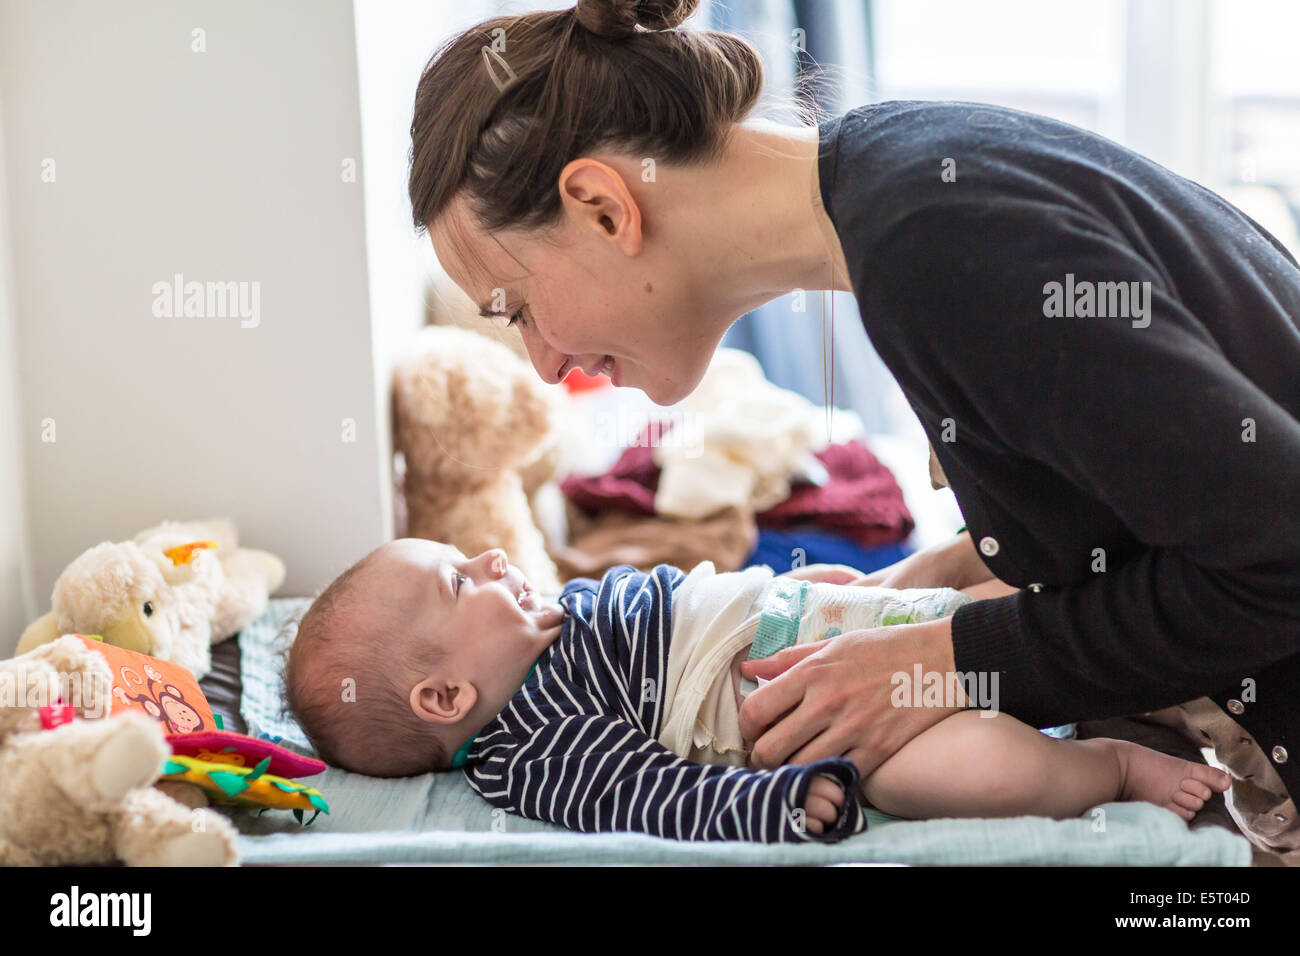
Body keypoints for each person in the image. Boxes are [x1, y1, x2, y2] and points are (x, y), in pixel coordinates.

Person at [407, 0, 1300, 853]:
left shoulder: (938, 249)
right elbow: (1121, 472)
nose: (544, 364)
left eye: (515, 307)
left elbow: (1279, 555)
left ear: (605, 207)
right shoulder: (899, 179)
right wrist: (941, 574)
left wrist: (947, 661)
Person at [283, 539, 1229, 842]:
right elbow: (655, 801)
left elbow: (686, 592)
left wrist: (807, 590)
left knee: (967, 597)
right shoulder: (535, 743)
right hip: (814, 714)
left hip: (801, 618)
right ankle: (1105, 765)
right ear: (446, 701)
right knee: (956, 771)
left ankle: (1160, 630)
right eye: (460, 581)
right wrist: (774, 801)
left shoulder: (554, 616)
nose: (488, 557)